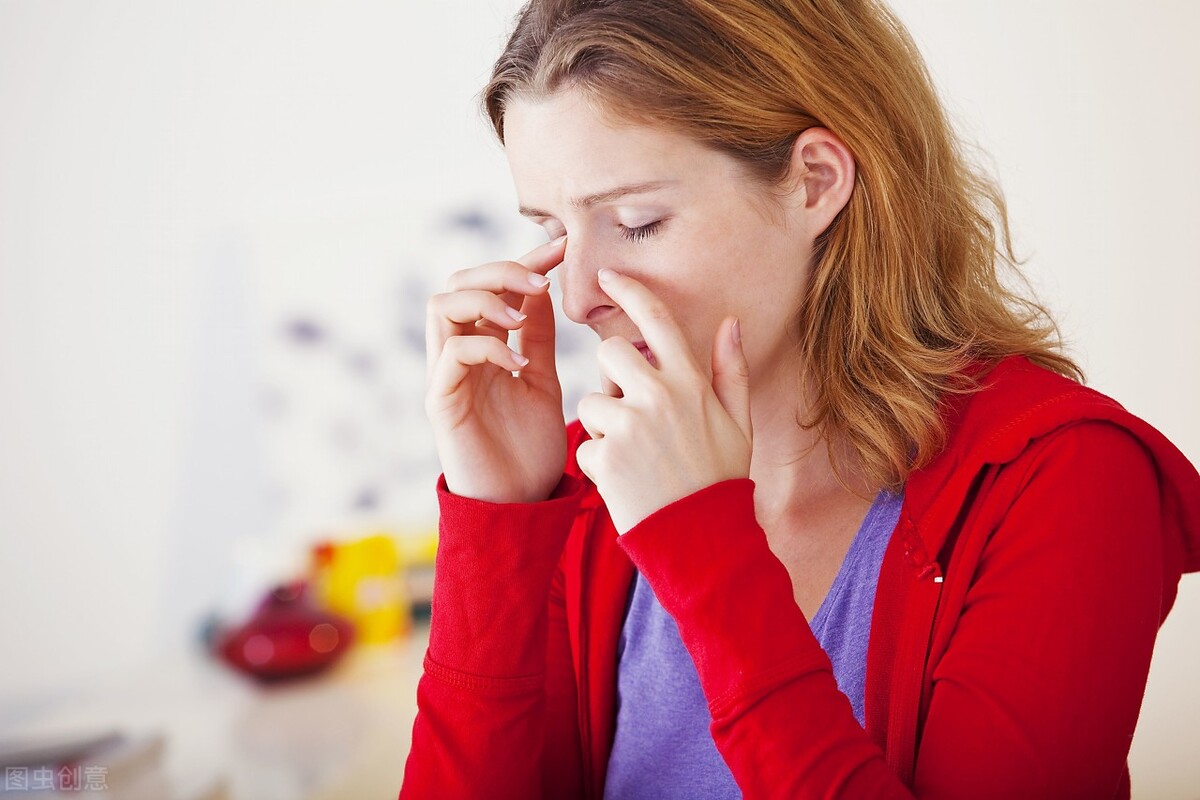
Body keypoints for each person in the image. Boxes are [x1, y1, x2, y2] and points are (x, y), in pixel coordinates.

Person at [403, 0, 1200, 797]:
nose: (576, 298)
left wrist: (703, 549)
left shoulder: (1068, 480)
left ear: (815, 182)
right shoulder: (589, 480)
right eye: (551, 229)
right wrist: (498, 523)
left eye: (637, 223)